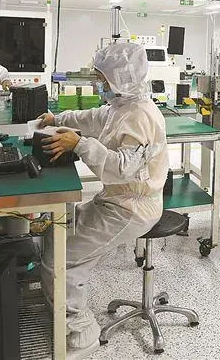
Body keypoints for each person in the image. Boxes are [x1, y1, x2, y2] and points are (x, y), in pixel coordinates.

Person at [38, 43, 169, 359]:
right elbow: (90, 118)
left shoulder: (141, 116)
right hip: (116, 199)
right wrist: (57, 118)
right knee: (58, 236)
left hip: (132, 208)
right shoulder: (121, 106)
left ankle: (81, 333)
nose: (98, 84)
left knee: (60, 258)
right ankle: (63, 309)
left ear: (119, 78)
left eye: (101, 78)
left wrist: (79, 145)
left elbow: (123, 168)